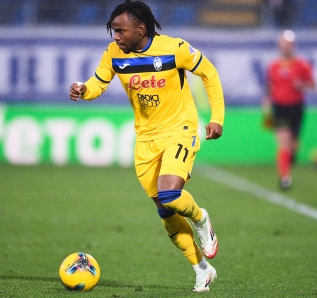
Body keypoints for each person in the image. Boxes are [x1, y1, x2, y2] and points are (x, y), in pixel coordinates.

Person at [69, 0, 224, 292]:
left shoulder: (174, 48)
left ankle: (201, 218)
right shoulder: (114, 53)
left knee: (169, 192)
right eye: (113, 31)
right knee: (165, 211)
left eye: (120, 31)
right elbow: (98, 83)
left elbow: (209, 74)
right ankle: (202, 268)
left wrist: (217, 118)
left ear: (140, 29)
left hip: (180, 130)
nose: (115, 37)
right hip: (146, 139)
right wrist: (83, 89)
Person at [263, 29, 315, 190]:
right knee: (283, 141)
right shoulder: (273, 66)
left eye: (288, 44)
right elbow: (270, 86)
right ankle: (285, 177)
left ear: (293, 46)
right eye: (282, 44)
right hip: (279, 107)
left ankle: (288, 163)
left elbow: (313, 85)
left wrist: (302, 85)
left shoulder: (302, 65)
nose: (285, 47)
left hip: (296, 107)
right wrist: (266, 103)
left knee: (293, 145)